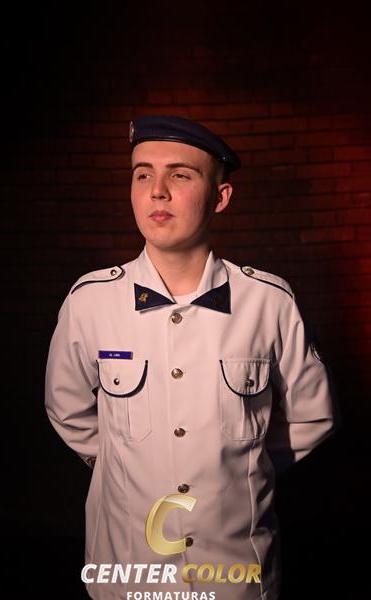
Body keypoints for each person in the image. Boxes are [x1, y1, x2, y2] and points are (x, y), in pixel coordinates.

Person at [45, 115, 338, 600]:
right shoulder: (89, 302)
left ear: (220, 197)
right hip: (128, 572)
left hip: (237, 576)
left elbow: (312, 417)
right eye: (143, 174)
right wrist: (126, 464)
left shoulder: (269, 302)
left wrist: (242, 468)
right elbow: (68, 410)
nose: (157, 191)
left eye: (180, 175)